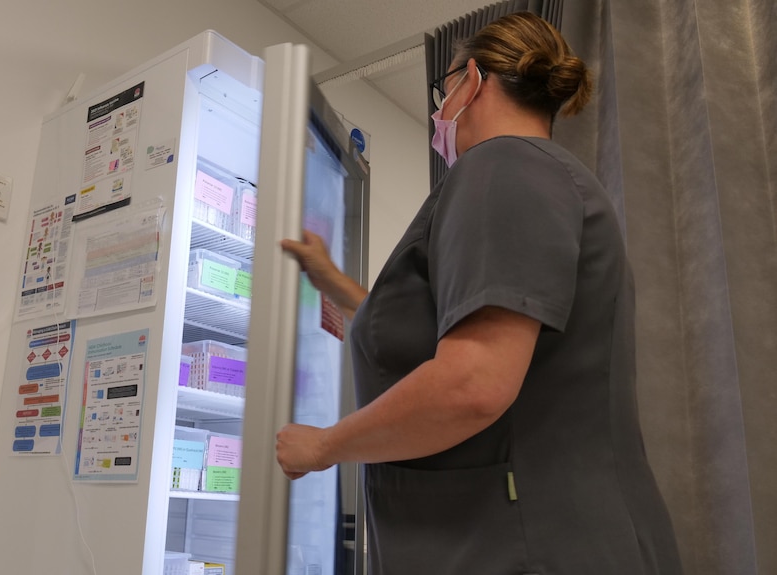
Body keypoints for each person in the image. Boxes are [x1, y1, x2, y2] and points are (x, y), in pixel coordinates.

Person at [278, 11, 683, 575]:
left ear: (472, 80)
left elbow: (473, 383)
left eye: (443, 93)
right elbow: (432, 330)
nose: (439, 113)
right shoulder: (542, 175)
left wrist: (321, 447)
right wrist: (330, 280)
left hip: (520, 544)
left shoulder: (503, 165)